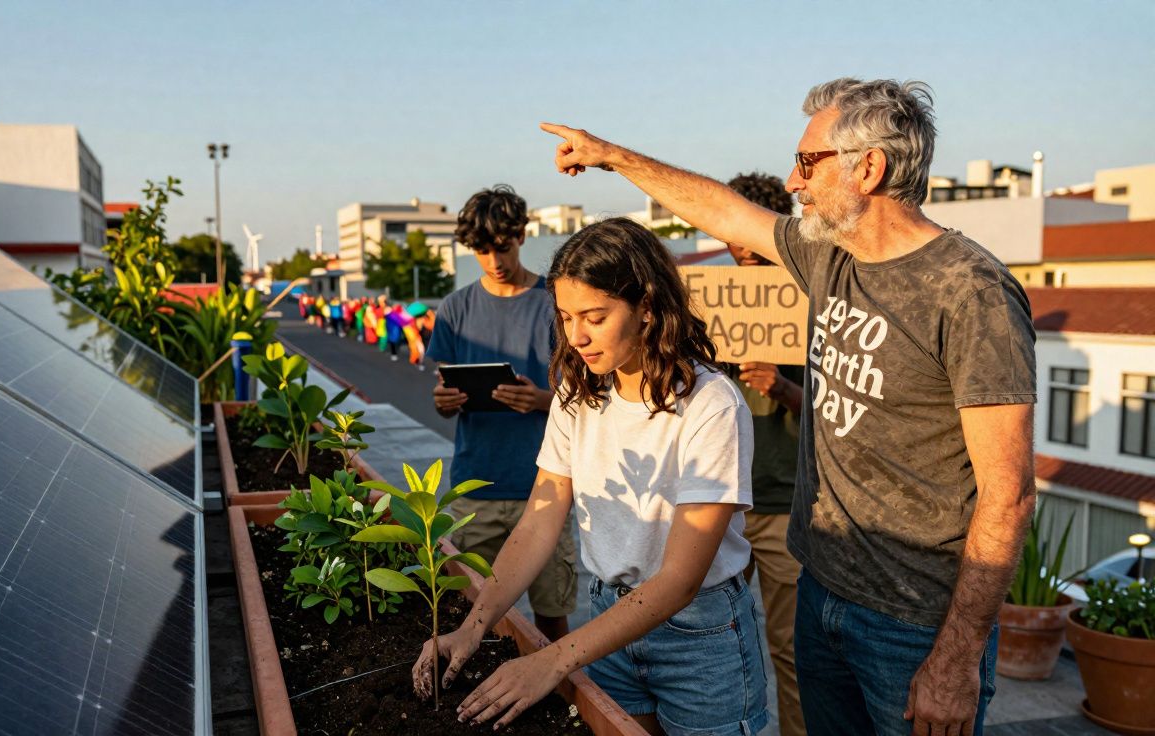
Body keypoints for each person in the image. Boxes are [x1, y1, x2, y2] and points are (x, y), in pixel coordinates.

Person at [541, 77, 1037, 736]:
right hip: (822, 593)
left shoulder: (970, 293)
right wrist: (612, 155)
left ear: (870, 167)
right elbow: (723, 211)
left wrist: (955, 658)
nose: (793, 180)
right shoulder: (830, 255)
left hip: (913, 626)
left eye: (807, 161)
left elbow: (1008, 494)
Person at [419, 218, 767, 735]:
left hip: (700, 638)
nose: (576, 336)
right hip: (610, 624)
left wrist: (553, 660)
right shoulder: (577, 395)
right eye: (564, 317)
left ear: (647, 307)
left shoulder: (709, 404)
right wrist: (473, 628)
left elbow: (679, 579)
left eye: (595, 317)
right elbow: (539, 520)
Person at [425, 184, 579, 644]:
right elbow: (441, 389)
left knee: (553, 617)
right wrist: (443, 402)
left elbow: (585, 398)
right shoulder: (454, 309)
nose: (495, 260)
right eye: (482, 250)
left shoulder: (556, 303)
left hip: (546, 489)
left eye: (503, 247)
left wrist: (542, 400)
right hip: (477, 486)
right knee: (475, 616)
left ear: (522, 236)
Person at [719, 171, 808, 736]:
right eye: (732, 230)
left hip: (782, 503)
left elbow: (843, 413)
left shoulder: (811, 301)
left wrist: (785, 389)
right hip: (720, 501)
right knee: (712, 643)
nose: (743, 245)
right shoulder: (713, 304)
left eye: (754, 231)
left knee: (793, 653)